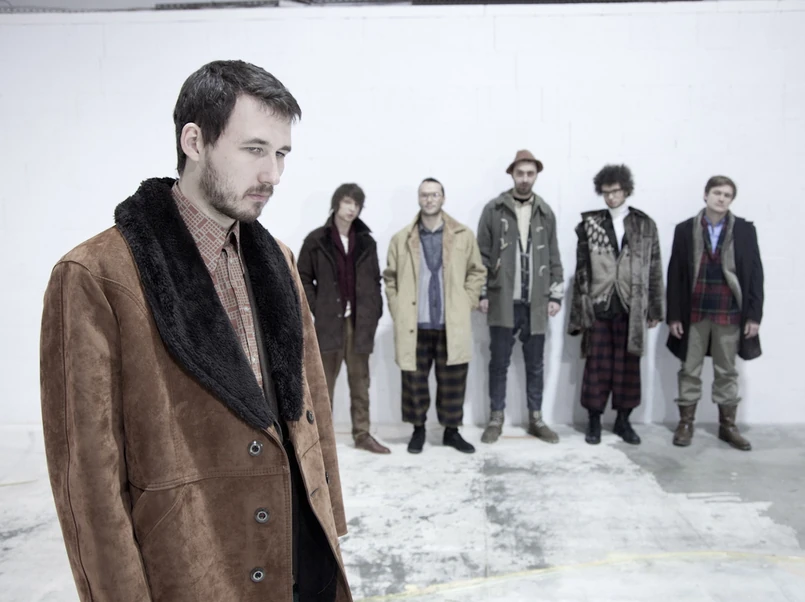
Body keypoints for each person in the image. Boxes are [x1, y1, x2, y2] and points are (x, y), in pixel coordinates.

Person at [39, 61, 351, 602]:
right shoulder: (96, 275)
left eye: (281, 154)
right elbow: (87, 480)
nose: (273, 175)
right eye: (254, 149)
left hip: (300, 561)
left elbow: (311, 402)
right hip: (195, 567)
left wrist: (331, 521)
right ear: (194, 142)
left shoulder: (276, 258)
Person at [383, 178, 486, 454]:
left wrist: (467, 301)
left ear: (443, 198)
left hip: (451, 323)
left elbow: (477, 271)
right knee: (414, 382)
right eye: (424, 195)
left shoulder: (463, 235)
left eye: (434, 194)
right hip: (414, 324)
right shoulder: (402, 238)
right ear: (419, 199)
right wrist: (398, 307)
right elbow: (390, 278)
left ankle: (451, 432)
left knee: (453, 381)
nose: (429, 199)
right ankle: (418, 431)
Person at [568, 165, 664, 445]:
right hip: (599, 304)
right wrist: (579, 311)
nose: (611, 197)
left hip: (632, 306)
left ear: (626, 190)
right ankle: (594, 421)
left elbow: (654, 267)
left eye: (616, 191)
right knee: (596, 366)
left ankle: (623, 420)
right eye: (606, 192)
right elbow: (582, 269)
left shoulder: (645, 225)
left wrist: (655, 308)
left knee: (628, 367)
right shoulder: (590, 224)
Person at [666, 175, 763, 451]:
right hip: (694, 311)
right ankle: (686, 423)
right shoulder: (685, 229)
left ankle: (727, 426)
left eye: (727, 195)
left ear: (731, 200)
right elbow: (675, 274)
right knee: (689, 369)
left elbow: (756, 274)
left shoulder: (744, 230)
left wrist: (754, 315)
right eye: (717, 192)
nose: (721, 198)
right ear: (705, 195)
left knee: (727, 371)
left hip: (729, 311)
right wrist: (674, 315)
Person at [477, 150, 564, 444]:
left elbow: (553, 256)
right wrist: (482, 292)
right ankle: (496, 418)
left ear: (536, 175)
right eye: (520, 173)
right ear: (512, 174)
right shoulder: (494, 210)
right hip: (503, 302)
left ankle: (536, 419)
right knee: (498, 363)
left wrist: (555, 296)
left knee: (535, 365)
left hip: (536, 304)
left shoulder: (545, 212)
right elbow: (481, 255)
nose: (525, 179)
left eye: (530, 173)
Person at [298, 183, 389, 454]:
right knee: (322, 385)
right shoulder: (317, 240)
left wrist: (374, 311)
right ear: (337, 203)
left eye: (357, 204)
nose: (352, 209)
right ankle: (319, 440)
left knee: (360, 383)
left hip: (359, 324)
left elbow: (375, 280)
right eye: (348, 202)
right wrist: (318, 307)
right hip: (329, 324)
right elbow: (302, 277)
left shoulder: (366, 241)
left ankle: (362, 434)